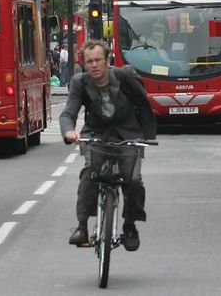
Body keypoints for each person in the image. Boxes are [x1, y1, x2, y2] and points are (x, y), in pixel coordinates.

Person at [60, 39, 157, 252]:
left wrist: (147, 136)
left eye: (98, 60)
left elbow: (143, 103)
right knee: (89, 173)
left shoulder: (125, 76)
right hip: (96, 135)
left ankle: (130, 226)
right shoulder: (80, 82)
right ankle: (82, 227)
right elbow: (69, 112)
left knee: (133, 181)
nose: (94, 65)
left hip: (128, 134)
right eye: (89, 61)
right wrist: (69, 131)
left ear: (107, 60)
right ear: (83, 64)